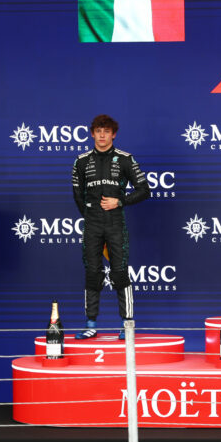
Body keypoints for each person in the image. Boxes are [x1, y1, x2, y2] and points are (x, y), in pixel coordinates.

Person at [71, 114, 150, 339]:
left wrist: (119, 201)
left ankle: (127, 325)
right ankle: (91, 324)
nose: (102, 135)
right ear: (92, 134)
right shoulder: (81, 161)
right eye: (98, 131)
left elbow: (145, 190)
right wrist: (91, 216)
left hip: (115, 223)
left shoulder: (125, 159)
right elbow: (77, 196)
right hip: (92, 225)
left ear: (113, 134)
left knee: (120, 273)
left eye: (106, 131)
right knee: (92, 272)